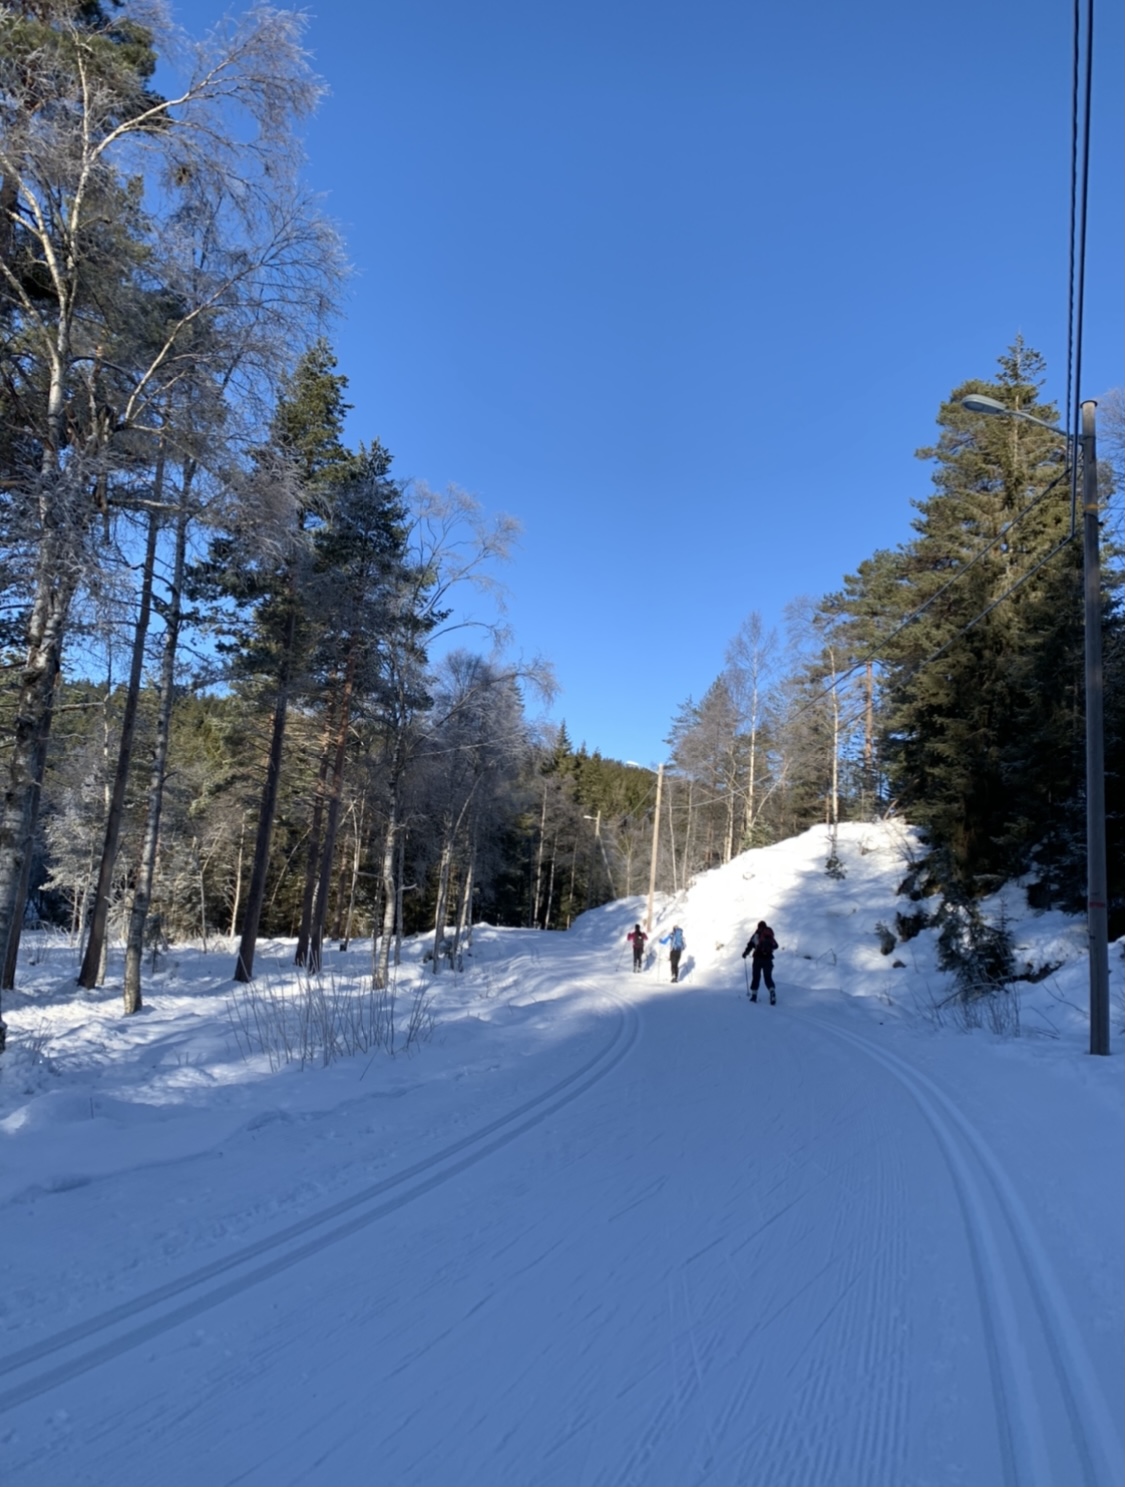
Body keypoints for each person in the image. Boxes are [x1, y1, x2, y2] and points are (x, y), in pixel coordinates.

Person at [741, 920, 777, 1003]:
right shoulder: (769, 935)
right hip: (768, 959)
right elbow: (776, 946)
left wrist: (745, 954)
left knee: (756, 977)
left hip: (758, 959)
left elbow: (750, 945)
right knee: (768, 977)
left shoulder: (757, 935)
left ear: (758, 927)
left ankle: (754, 996)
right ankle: (772, 992)